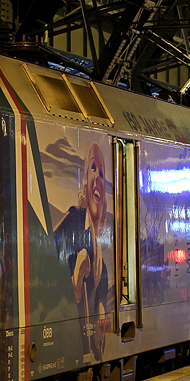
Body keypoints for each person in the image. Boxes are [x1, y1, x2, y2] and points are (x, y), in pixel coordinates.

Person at [53, 142, 110, 361]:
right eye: (93, 168)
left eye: (102, 173)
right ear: (86, 180)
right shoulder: (71, 222)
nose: (98, 177)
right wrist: (74, 280)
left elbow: (102, 299)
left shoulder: (101, 260)